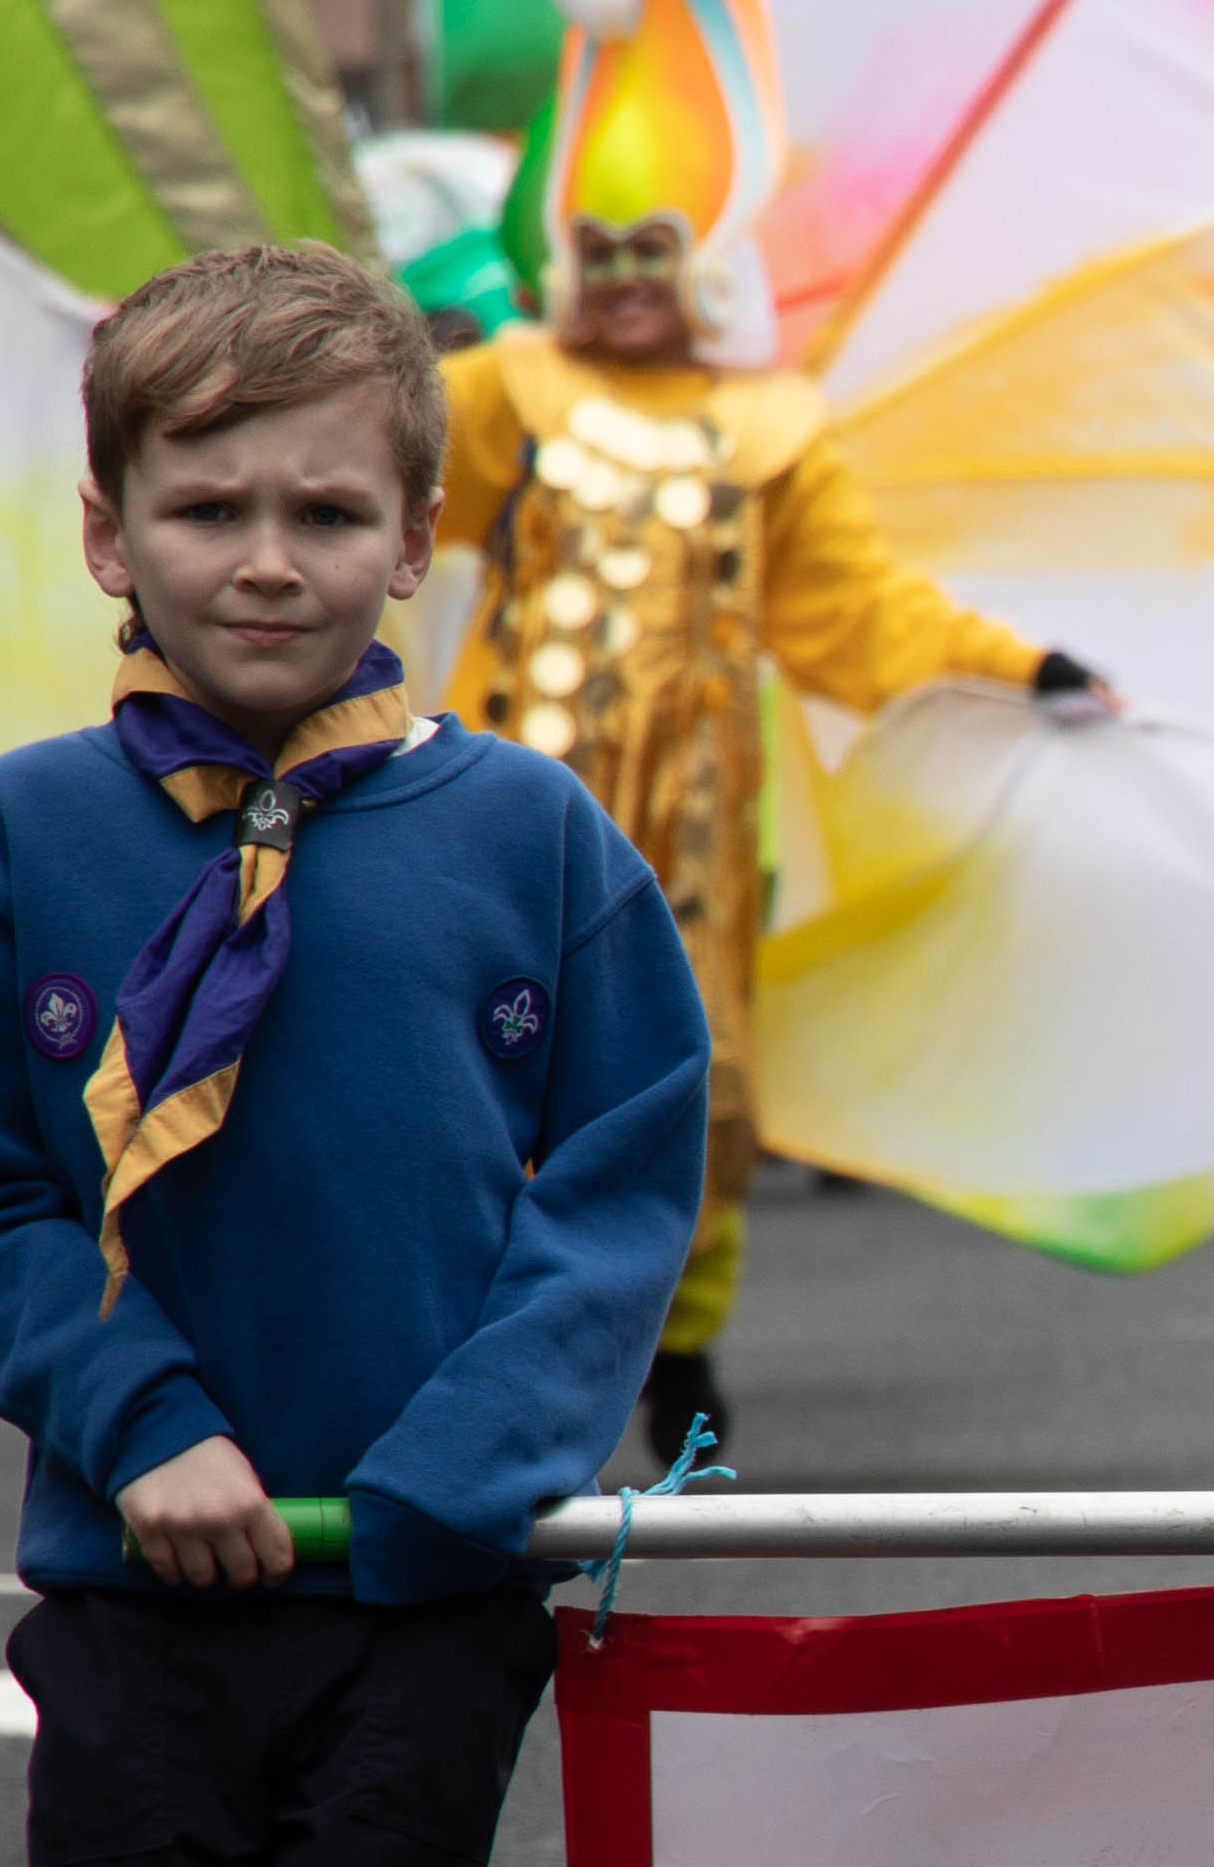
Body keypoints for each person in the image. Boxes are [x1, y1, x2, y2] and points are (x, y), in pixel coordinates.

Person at [0, 244, 707, 1867]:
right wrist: (147, 1422)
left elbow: (620, 1188)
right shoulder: (24, 832)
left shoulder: (532, 836)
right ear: (109, 535)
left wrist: (464, 1475)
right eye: (209, 507)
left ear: (416, 537)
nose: (268, 559)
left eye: (330, 511)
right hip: (145, 1599)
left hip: (423, 1602)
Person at [435, 153, 1103, 1457]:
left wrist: (1023, 668)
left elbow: (862, 614)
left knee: (700, 1081)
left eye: (653, 249)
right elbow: (369, 460)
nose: (627, 279)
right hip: (508, 828)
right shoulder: (508, 394)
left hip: (691, 841)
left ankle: (679, 1340)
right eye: (600, 251)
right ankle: (498, 1344)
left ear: (706, 265)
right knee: (490, 1068)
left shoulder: (769, 428)